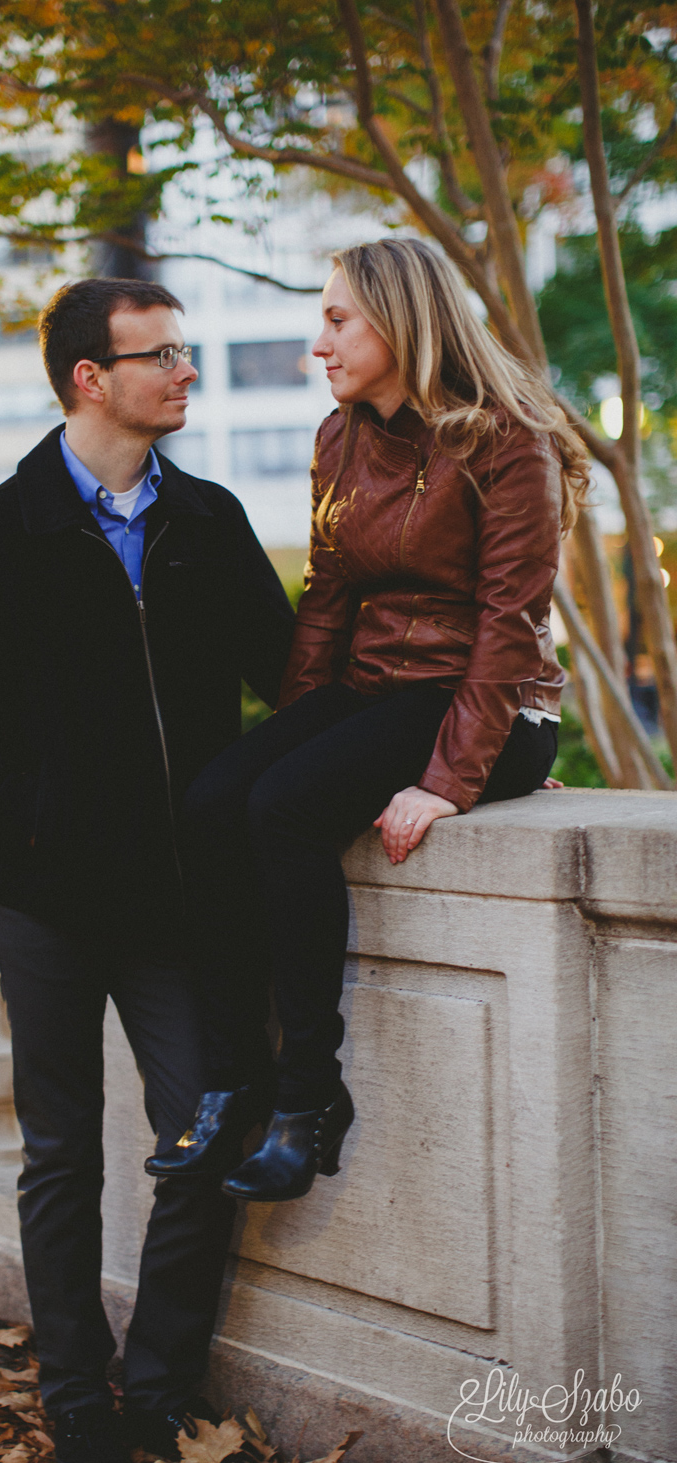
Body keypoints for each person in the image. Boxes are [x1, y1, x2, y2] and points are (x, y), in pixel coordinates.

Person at [0, 277, 295, 1463]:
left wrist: (440, 760)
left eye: (182, 351)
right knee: (62, 1156)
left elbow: (292, 685)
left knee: (216, 1128)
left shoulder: (210, 522)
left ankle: (162, 1382)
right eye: (162, 354)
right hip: (47, 905)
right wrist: (41, 823)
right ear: (92, 377)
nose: (186, 372)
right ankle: (76, 1399)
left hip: (179, 908)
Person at [147, 238, 588, 1206]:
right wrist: (301, 732)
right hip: (377, 691)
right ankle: (234, 1082)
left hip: (492, 704)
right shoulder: (340, 436)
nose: (319, 344)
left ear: (401, 320)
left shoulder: (508, 438)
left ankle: (308, 1102)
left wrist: (450, 779)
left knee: (286, 809)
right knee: (221, 797)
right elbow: (328, 602)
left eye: (337, 319)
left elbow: (511, 622)